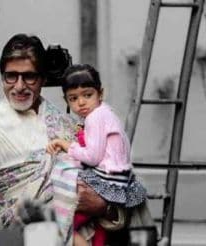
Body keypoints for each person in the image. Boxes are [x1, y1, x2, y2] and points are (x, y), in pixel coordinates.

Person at [0, 2, 125, 244]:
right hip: (12, 239)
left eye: (28, 76)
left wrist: (102, 206)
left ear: (43, 79)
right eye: (11, 76)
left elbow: (111, 193)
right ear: (2, 77)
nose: (19, 86)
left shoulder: (69, 127)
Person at [47, 64, 148, 246]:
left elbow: (93, 157)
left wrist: (66, 145)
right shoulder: (106, 113)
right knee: (96, 222)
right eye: (74, 98)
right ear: (66, 100)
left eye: (87, 95)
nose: (81, 102)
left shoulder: (95, 117)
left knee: (64, 222)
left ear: (100, 94)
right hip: (119, 179)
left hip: (105, 179)